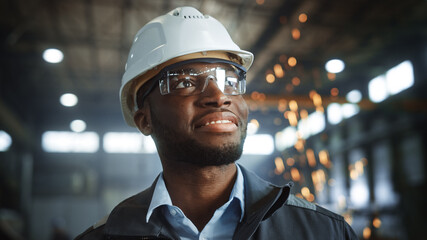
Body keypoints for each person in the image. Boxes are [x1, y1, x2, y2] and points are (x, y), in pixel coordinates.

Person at [76, 6, 357, 240]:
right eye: (184, 82)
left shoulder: (324, 231)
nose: (219, 96)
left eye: (230, 81)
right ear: (144, 120)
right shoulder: (108, 235)